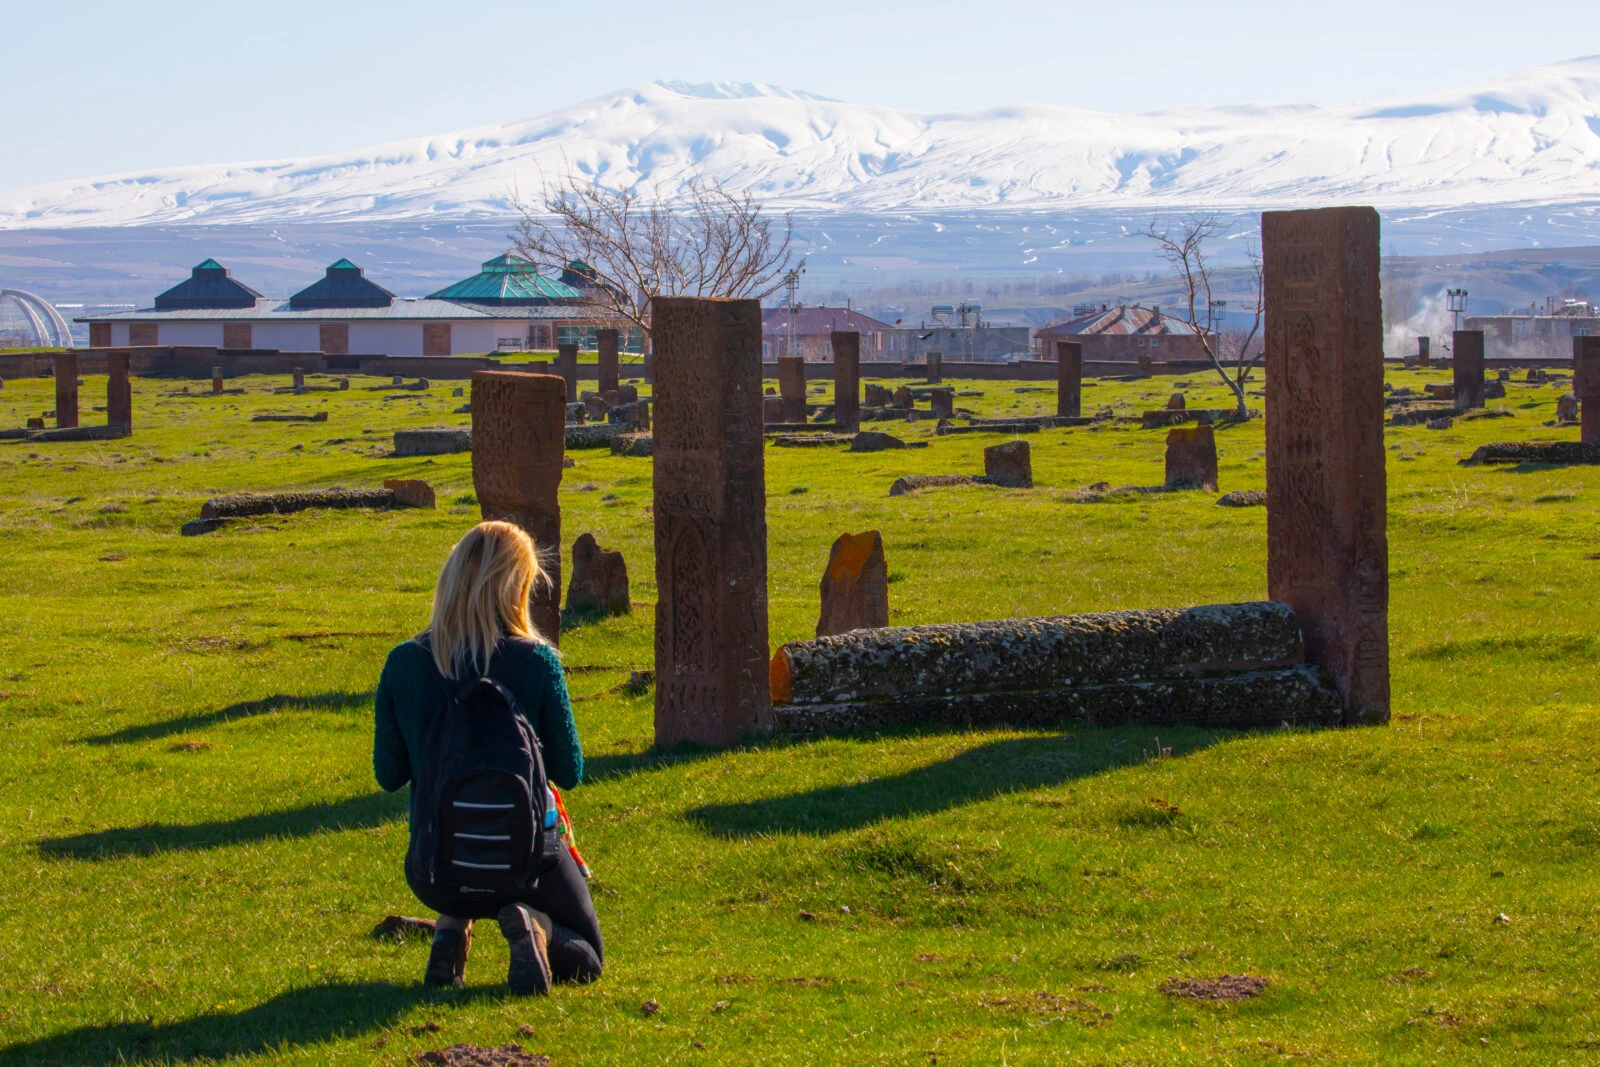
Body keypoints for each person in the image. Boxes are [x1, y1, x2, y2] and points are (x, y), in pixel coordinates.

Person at [374, 520, 602, 993]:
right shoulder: (537, 661)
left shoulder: (404, 662)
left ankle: (451, 931)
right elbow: (569, 771)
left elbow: (388, 774)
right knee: (588, 955)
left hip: (436, 867)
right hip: (526, 867)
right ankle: (535, 924)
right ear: (517, 585)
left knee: (460, 856)